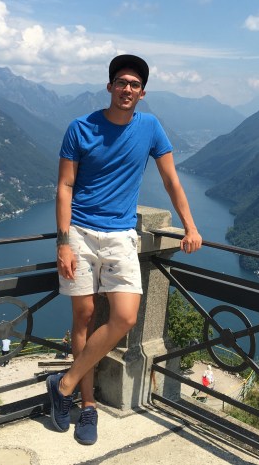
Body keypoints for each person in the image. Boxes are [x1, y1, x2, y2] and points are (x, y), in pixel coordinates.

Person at [47, 54, 203, 446]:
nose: (127, 89)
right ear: (110, 87)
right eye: (121, 82)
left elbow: (171, 179)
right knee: (83, 316)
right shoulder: (80, 128)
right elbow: (65, 186)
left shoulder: (150, 127)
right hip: (80, 232)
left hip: (120, 235)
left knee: (125, 317)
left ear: (142, 93)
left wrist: (190, 226)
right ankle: (88, 406)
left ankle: (62, 385)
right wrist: (63, 242)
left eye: (134, 84)